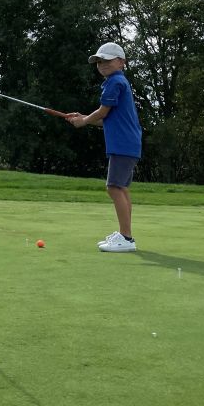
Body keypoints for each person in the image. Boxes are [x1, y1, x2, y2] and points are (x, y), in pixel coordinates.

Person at [68, 42, 142, 252]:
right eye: (99, 62)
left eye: (107, 60)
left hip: (123, 143)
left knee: (113, 188)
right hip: (128, 143)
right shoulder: (119, 82)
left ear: (121, 62)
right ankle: (125, 235)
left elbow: (101, 112)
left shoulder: (115, 81)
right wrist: (84, 117)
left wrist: (84, 121)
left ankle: (126, 238)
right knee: (122, 188)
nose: (102, 65)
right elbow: (105, 118)